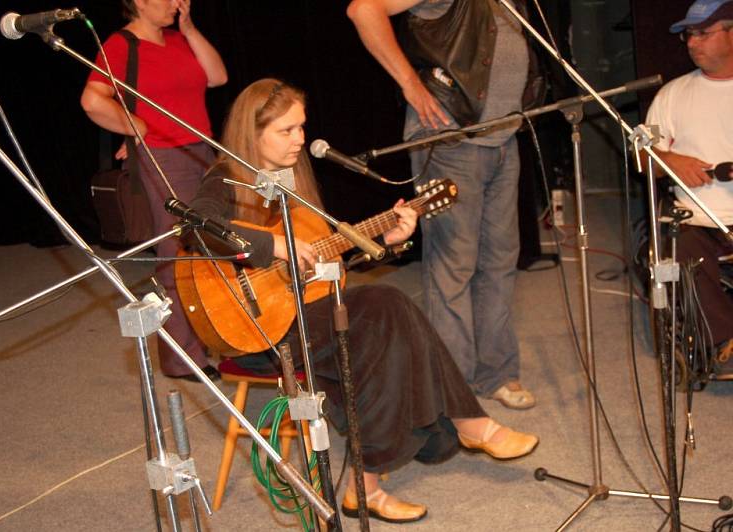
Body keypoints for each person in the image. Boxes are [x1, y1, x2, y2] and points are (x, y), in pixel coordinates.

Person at [189, 78, 538, 524]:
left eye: (301, 128)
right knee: (384, 318)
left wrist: (388, 241)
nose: (301, 139)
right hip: (255, 329)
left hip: (303, 311)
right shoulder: (225, 176)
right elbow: (196, 227)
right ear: (251, 133)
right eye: (287, 131)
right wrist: (272, 247)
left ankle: (372, 482)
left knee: (386, 319)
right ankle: (459, 428)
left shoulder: (295, 176)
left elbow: (326, 259)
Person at [346, 0, 543, 408]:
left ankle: (497, 373)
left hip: (503, 138)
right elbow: (363, 9)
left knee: (500, 260)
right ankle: (455, 389)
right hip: (451, 141)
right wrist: (409, 83)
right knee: (455, 264)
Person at [81, 0, 227, 380]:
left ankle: (219, 337)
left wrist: (191, 29)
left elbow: (217, 78)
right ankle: (183, 358)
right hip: (163, 158)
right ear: (139, 2)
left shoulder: (179, 39)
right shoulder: (121, 45)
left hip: (201, 150)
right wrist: (136, 128)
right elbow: (92, 99)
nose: (177, 2)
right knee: (178, 255)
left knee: (215, 245)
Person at [645, 0, 733, 373]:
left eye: (702, 33)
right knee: (677, 251)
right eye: (688, 34)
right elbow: (644, 158)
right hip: (696, 220)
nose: (691, 43)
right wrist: (669, 160)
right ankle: (725, 344)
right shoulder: (671, 95)